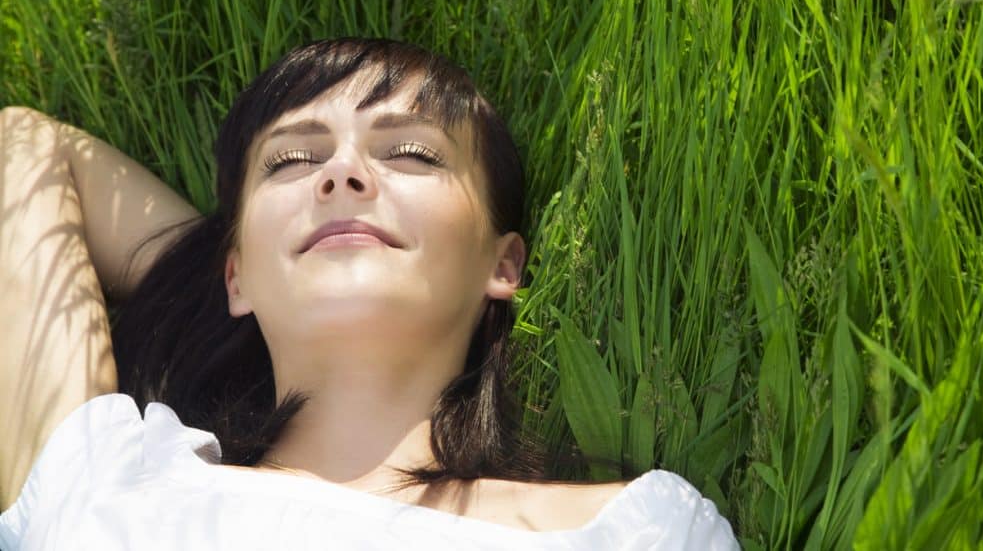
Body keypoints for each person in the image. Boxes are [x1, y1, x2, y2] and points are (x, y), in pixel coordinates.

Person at [0, 38, 738, 549]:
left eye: (411, 152)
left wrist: (285, 260)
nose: (341, 175)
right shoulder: (108, 479)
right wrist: (258, 267)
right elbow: (25, 146)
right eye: (292, 160)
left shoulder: (637, 530)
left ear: (503, 264)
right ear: (235, 278)